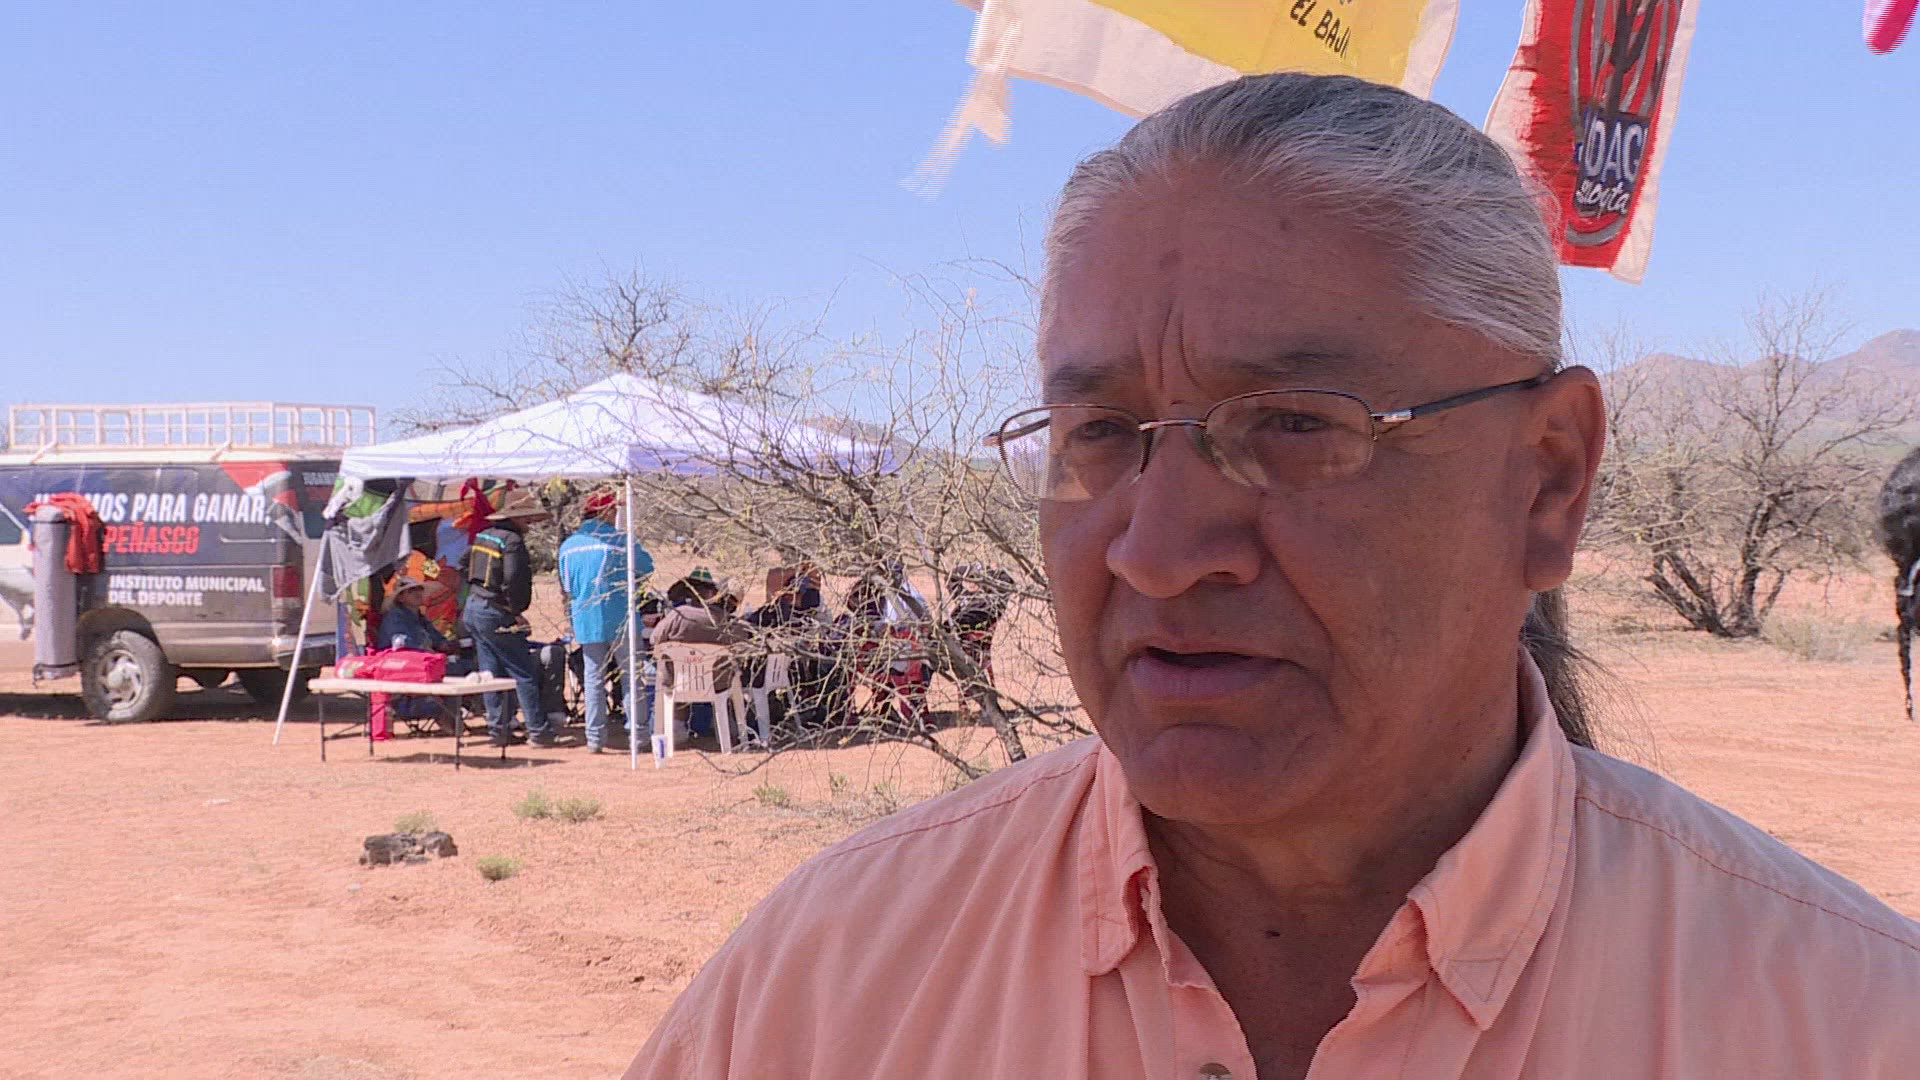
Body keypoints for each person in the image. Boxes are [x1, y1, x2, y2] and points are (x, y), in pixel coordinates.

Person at [625, 74, 1920, 1079]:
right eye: (1100, 434)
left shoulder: (1845, 1024)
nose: (1156, 549)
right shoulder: (831, 986)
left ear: (1548, 480)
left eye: (1297, 425)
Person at [558, 488, 653, 754]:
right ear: (606, 511)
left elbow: (567, 585)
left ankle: (595, 738)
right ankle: (638, 735)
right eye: (614, 510)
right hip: (621, 615)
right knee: (631, 677)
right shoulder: (621, 540)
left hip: (585, 618)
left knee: (593, 678)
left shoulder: (568, 546)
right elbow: (647, 568)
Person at [462, 494, 553, 748]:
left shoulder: (484, 536)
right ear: (515, 518)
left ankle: (498, 730)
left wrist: (479, 589)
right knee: (523, 672)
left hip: (474, 607)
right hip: (495, 612)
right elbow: (513, 577)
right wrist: (513, 609)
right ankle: (538, 731)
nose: (530, 522)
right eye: (526, 518)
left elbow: (463, 563)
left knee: (491, 673)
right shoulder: (512, 541)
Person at [651, 570, 749, 741]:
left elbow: (655, 639)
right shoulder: (734, 626)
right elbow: (743, 651)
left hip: (677, 680)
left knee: (668, 669)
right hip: (718, 684)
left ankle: (675, 727)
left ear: (713, 595)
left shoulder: (681, 615)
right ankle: (723, 724)